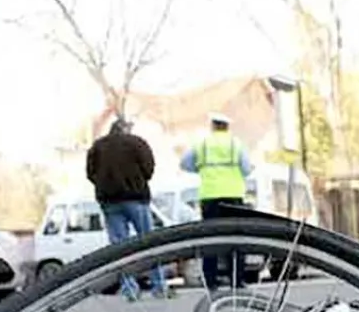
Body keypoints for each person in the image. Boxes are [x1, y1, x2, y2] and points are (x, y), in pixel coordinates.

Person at [86, 117, 169, 300]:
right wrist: (136, 180)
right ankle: (159, 286)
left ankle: (130, 288)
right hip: (136, 198)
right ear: (126, 129)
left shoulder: (98, 146)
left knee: (120, 248)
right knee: (148, 243)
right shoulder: (137, 143)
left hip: (109, 201)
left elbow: (90, 173)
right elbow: (149, 169)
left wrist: (105, 185)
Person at [179, 112, 253, 290]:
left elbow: (184, 164)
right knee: (235, 237)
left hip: (210, 196)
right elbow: (247, 169)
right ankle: (237, 279)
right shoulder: (236, 144)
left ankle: (210, 280)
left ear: (212, 125)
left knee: (211, 238)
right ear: (227, 126)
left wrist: (203, 170)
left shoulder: (202, 144)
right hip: (233, 195)